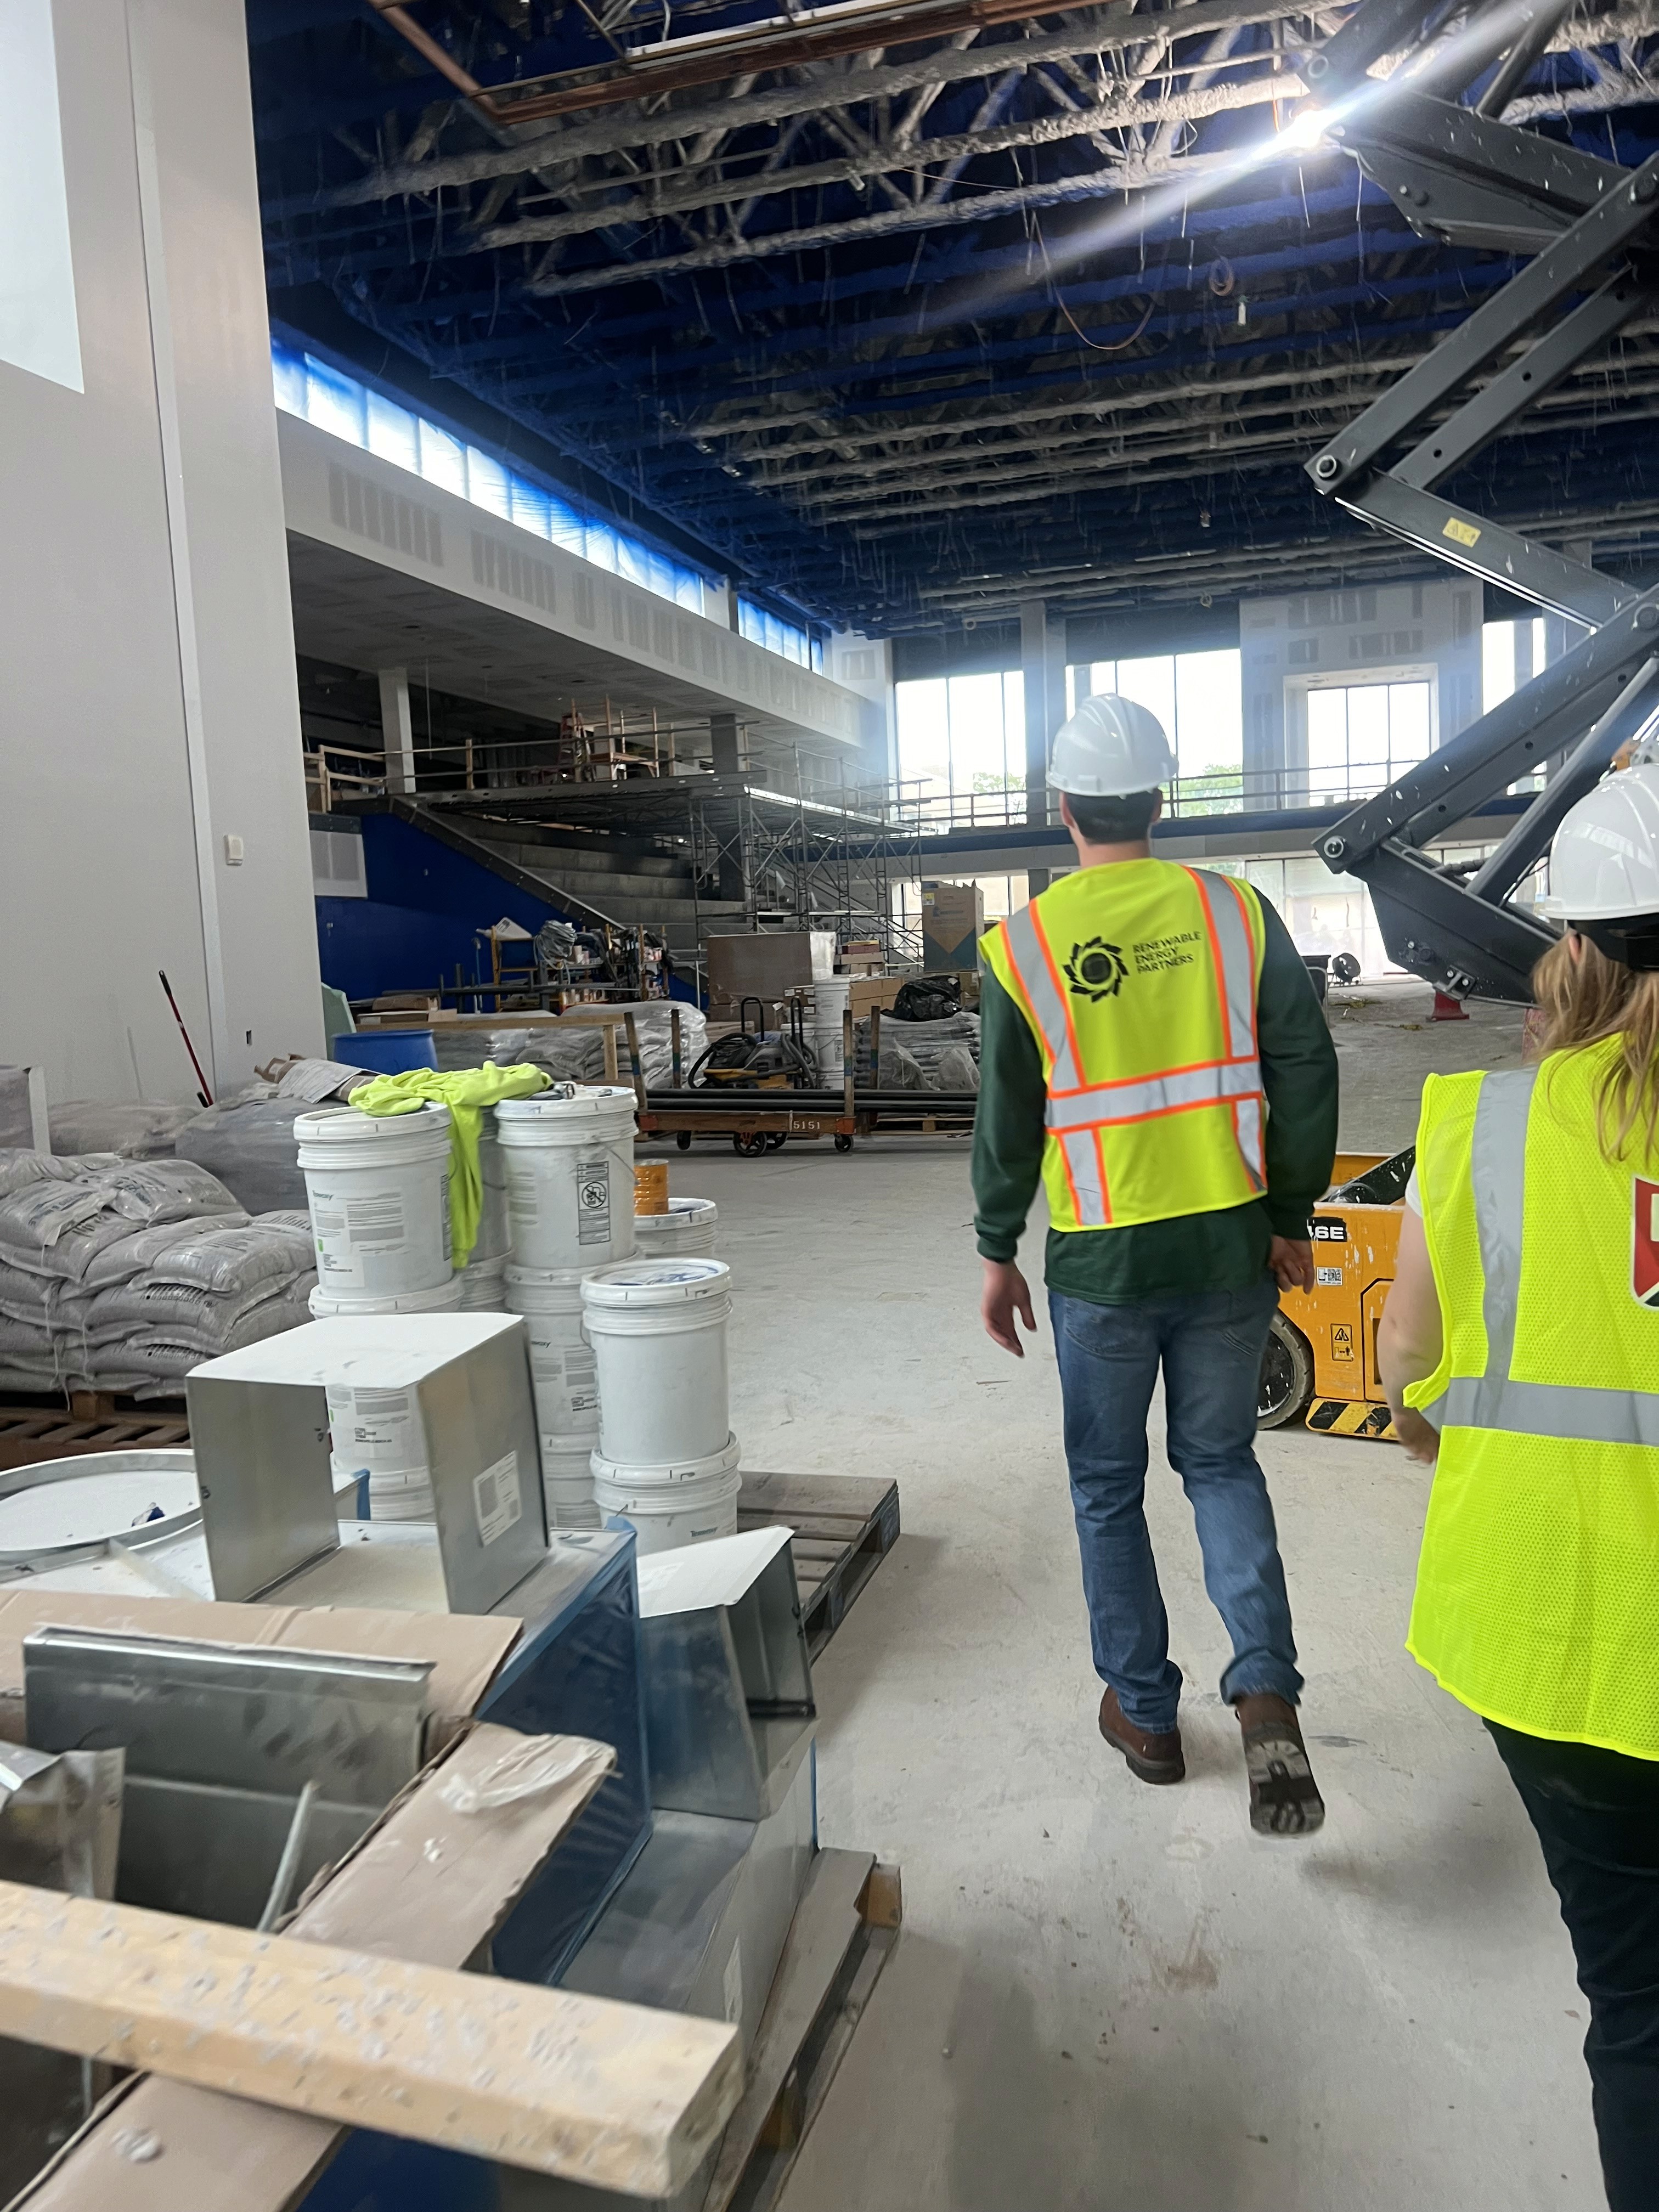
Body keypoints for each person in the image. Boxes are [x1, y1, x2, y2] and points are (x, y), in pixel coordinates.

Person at [974, 694, 1339, 1835]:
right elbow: (1306, 1066)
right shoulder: (1235, 914)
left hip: (1102, 1266)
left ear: (1063, 808)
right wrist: (1289, 1212)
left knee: (1105, 1488)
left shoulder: (1022, 947)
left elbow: (1007, 1119)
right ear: (1162, 803)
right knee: (1222, 1466)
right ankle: (1266, 1688)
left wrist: (997, 1248)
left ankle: (1144, 1715)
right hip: (1231, 1245)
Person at [1378, 756, 1659, 2212]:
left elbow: (1412, 1376)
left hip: (1548, 1642)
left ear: (1579, 949)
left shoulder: (1480, 1133)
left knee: (1641, 2007)